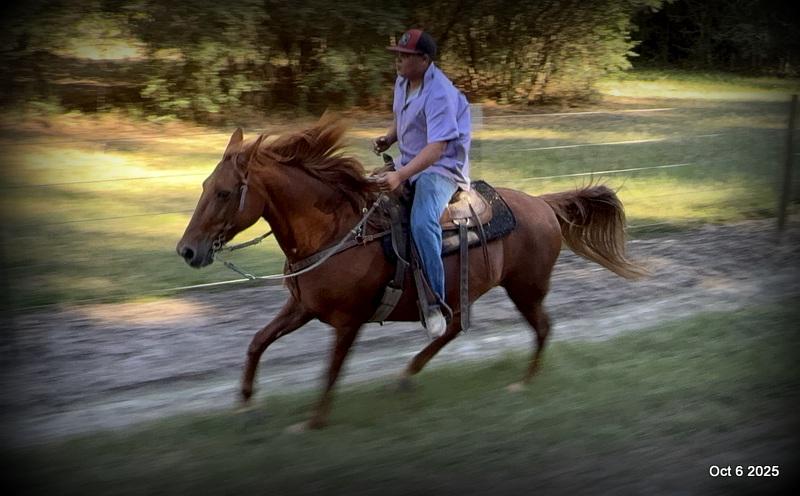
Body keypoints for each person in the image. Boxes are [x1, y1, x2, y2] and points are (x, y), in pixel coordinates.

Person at [373, 28, 471, 338]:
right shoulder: (404, 81)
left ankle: (435, 302)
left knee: (422, 221)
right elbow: (405, 117)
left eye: (405, 56)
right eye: (397, 56)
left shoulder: (440, 92)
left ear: (425, 60)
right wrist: (390, 137)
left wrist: (400, 175)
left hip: (440, 169)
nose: (398, 61)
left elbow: (437, 147)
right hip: (410, 162)